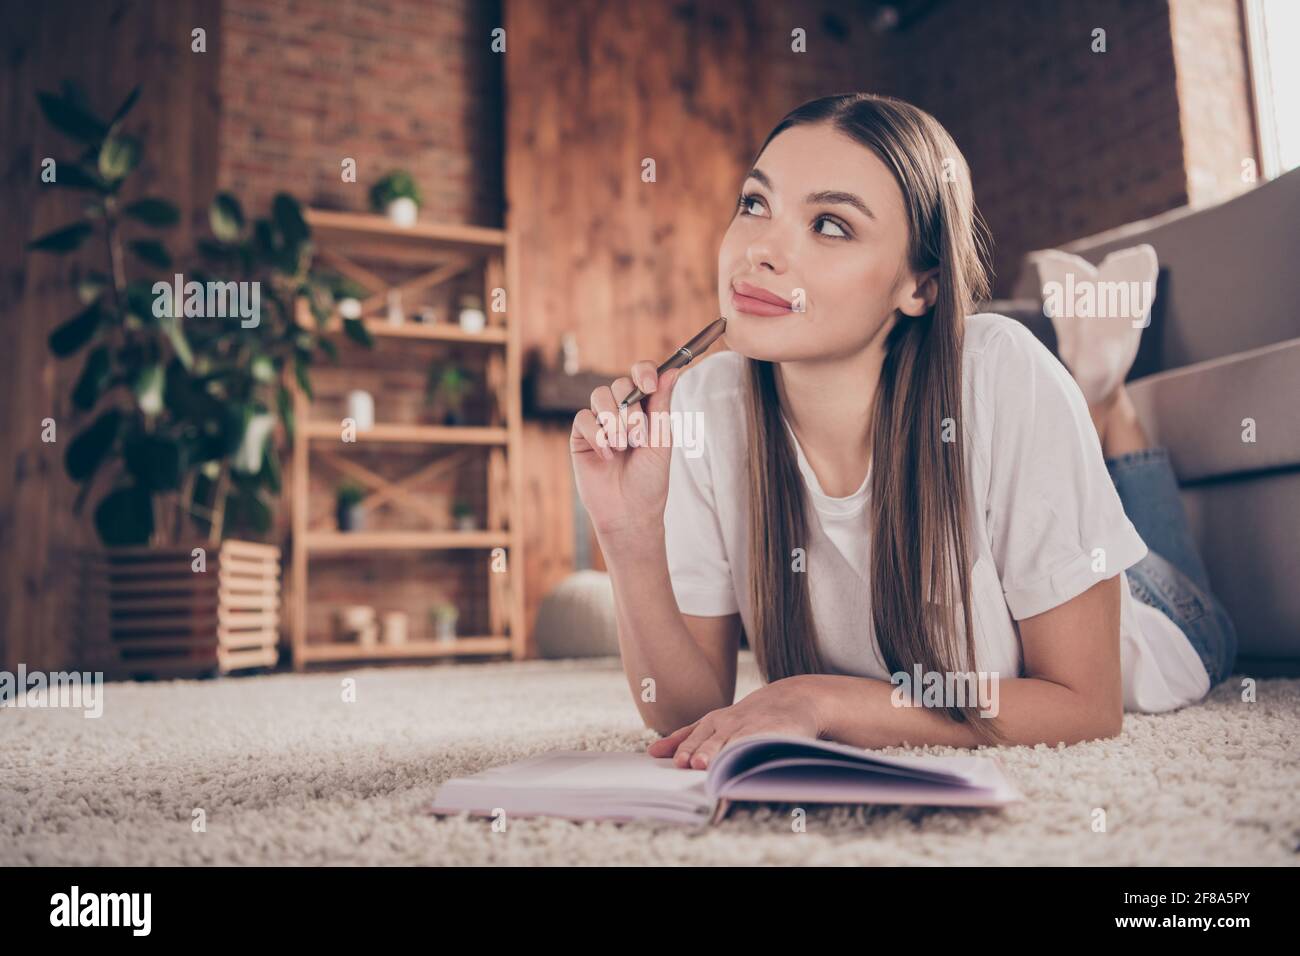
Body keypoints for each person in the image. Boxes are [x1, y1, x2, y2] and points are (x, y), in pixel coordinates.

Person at [568, 93, 1237, 767]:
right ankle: (1101, 404)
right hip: (1036, 547)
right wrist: (628, 535)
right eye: (753, 203)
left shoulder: (1004, 372)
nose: (760, 250)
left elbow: (1085, 705)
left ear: (920, 286)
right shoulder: (708, 406)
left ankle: (1109, 405)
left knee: (1177, 583)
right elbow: (691, 720)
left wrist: (824, 702)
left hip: (1155, 611)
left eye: (830, 225)